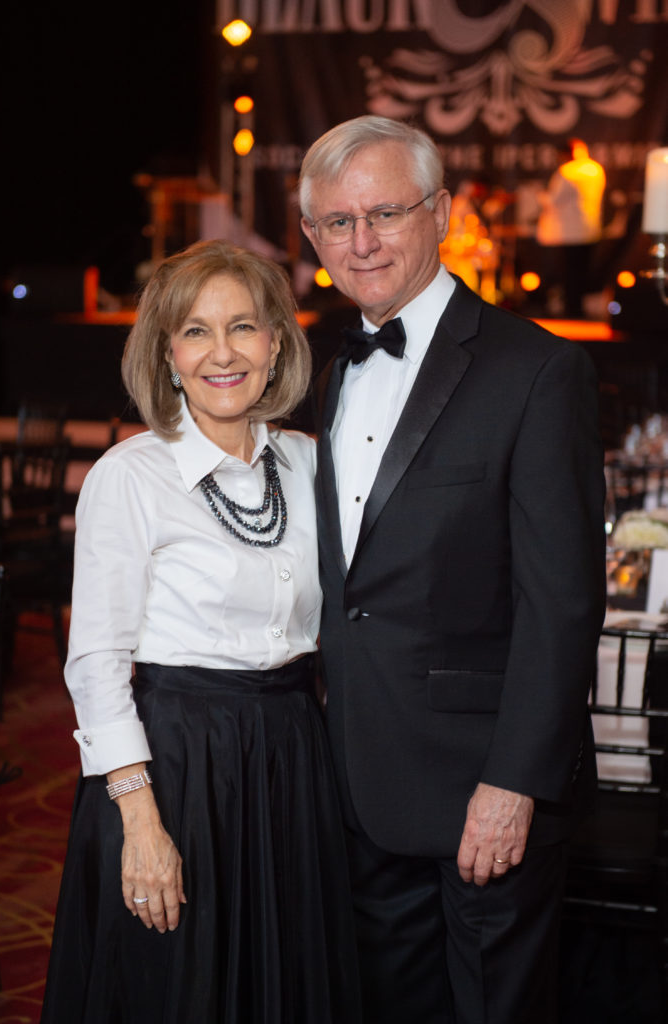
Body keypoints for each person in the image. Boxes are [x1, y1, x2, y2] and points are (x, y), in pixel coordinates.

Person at [298, 116, 607, 1024]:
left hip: (484, 791)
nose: (362, 243)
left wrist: (515, 783)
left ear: (441, 213)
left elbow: (562, 603)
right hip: (356, 779)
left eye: (385, 213)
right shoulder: (325, 370)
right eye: (336, 223)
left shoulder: (536, 369)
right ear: (311, 237)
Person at [41, 239, 361, 1023]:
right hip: (178, 767)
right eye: (195, 332)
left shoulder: (312, 462)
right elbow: (95, 665)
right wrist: (140, 819)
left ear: (276, 342)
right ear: (166, 353)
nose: (222, 353)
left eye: (243, 327)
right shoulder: (130, 474)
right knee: (180, 988)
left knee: (283, 984)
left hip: (291, 756)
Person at [536, 138, 606, 317]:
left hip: (568, 233)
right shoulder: (596, 169)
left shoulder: (567, 172)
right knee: (582, 272)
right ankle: (578, 308)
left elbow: (553, 200)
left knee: (569, 273)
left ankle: (571, 310)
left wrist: (539, 196)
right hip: (590, 229)